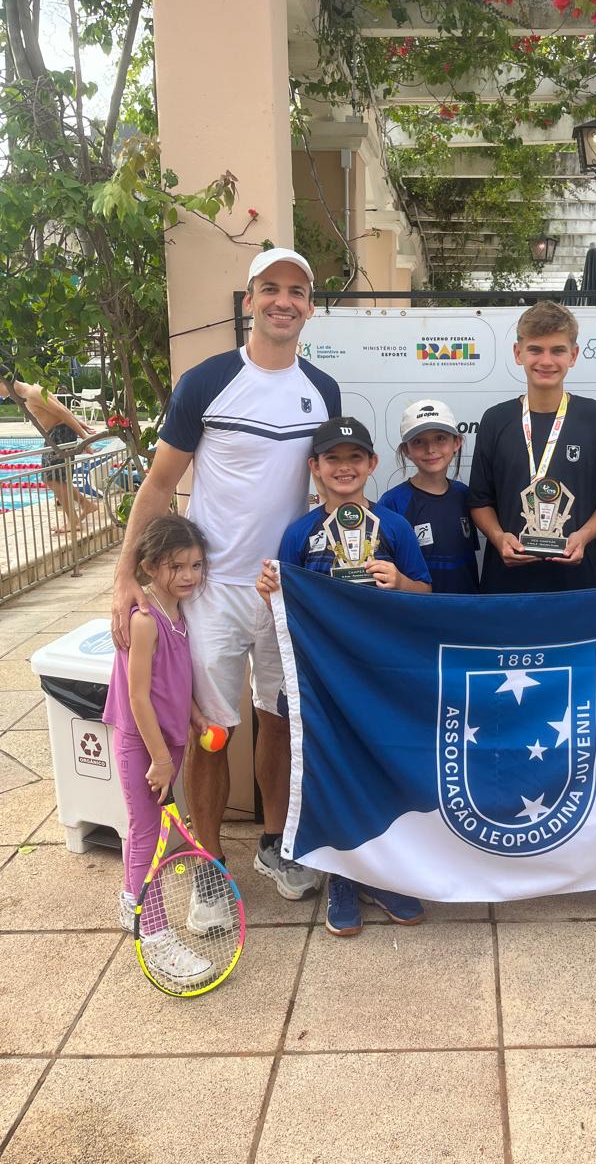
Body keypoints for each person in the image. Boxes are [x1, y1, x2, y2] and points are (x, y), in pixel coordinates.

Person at [110, 248, 341, 925]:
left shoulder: (322, 389)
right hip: (209, 590)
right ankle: (208, 866)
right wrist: (125, 576)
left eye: (296, 291)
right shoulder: (207, 381)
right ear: (249, 301)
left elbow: (331, 484)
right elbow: (159, 484)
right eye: (270, 289)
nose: (283, 301)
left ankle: (274, 845)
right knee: (210, 731)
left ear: (309, 307)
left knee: (280, 721)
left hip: (283, 588)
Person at [256, 416, 431, 937]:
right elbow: (282, 610)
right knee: (328, 772)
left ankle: (379, 875)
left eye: (355, 457)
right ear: (315, 467)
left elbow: (426, 594)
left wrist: (400, 581)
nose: (344, 467)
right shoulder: (299, 533)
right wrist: (271, 592)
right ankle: (342, 878)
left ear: (372, 464)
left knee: (377, 769)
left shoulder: (394, 527)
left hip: (379, 675)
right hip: (322, 678)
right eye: (333, 458)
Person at [103, 514, 214, 987]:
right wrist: (161, 760)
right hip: (143, 744)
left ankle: (132, 901)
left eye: (196, 565)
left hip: (169, 739)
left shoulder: (178, 613)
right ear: (149, 567)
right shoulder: (145, 620)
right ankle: (154, 934)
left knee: (145, 830)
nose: (189, 575)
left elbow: (174, 678)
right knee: (149, 836)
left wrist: (194, 714)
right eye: (176, 566)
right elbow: (138, 697)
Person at [468, 301, 596, 593]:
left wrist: (584, 535)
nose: (546, 361)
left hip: (577, 582)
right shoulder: (495, 419)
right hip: (507, 583)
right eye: (535, 350)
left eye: (557, 350)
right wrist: (498, 537)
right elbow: (479, 502)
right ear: (518, 353)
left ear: (573, 355)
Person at [377, 398, 479, 594]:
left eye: (440, 438)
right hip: (418, 609)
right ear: (406, 450)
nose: (430, 449)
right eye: (418, 441)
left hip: (467, 606)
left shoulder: (465, 495)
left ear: (457, 442)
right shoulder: (392, 503)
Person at [0, 376, 98, 533]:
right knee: (53, 479)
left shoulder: (31, 393)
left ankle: (74, 521)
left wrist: (84, 439)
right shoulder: (29, 390)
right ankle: (85, 505)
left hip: (60, 433)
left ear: (3, 382)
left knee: (54, 479)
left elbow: (61, 412)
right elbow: (61, 407)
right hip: (55, 434)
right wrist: (80, 424)